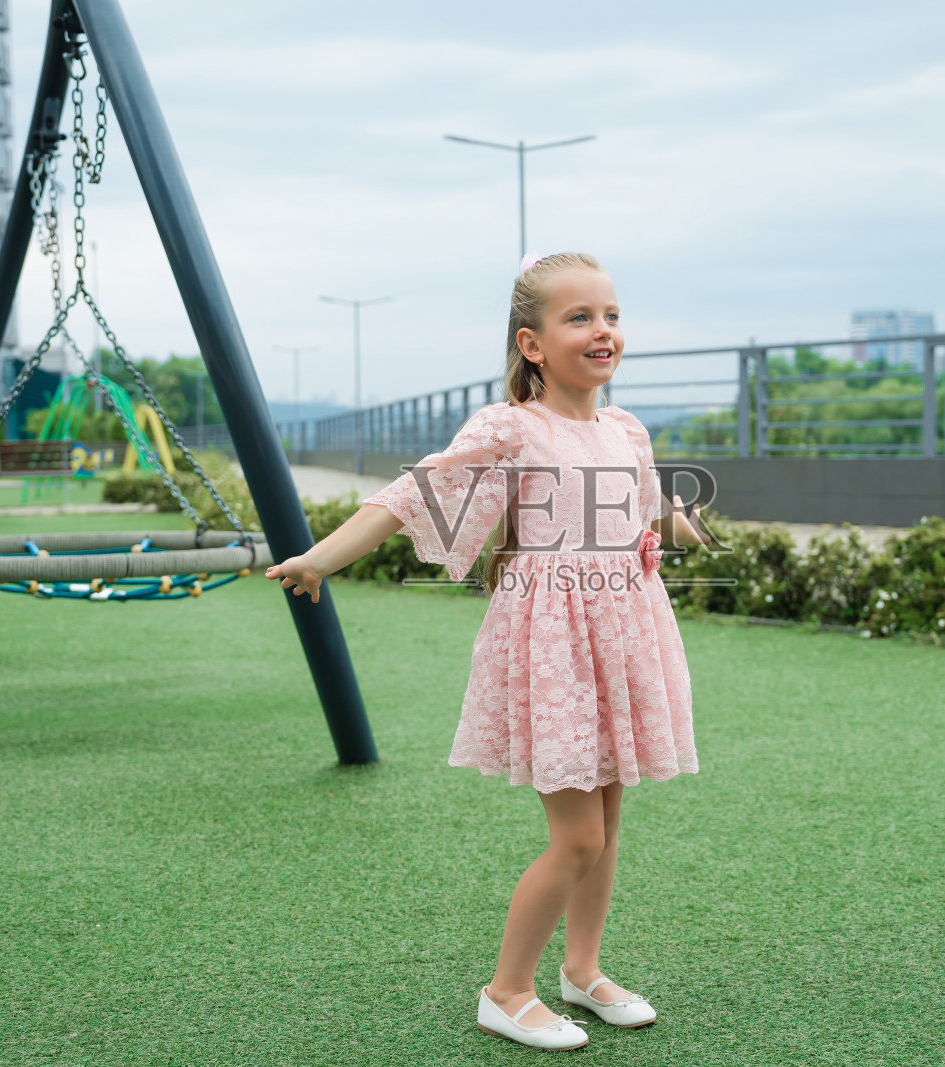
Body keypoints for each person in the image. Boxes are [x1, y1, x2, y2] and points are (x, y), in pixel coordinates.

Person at [265, 251, 709, 1051]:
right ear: (532, 343)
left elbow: (646, 510)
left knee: (608, 819)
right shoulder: (512, 425)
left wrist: (686, 526)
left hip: (625, 632)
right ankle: (506, 990)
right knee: (576, 836)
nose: (602, 330)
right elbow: (412, 494)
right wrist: (319, 557)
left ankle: (582, 970)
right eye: (579, 317)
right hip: (556, 643)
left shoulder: (625, 428)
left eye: (609, 315)